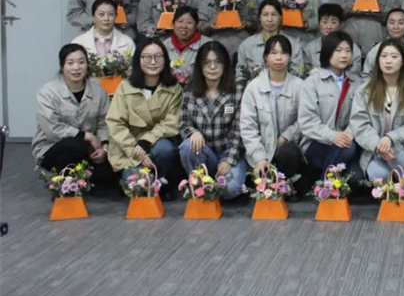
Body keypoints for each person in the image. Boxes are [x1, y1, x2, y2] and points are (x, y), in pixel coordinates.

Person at [106, 38, 183, 199]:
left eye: (158, 56)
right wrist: (137, 151)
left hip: (156, 142)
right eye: (147, 57)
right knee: (139, 188)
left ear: (165, 59)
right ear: (138, 59)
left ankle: (162, 180)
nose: (153, 62)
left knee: (165, 150)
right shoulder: (125, 86)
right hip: (128, 148)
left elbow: (172, 121)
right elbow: (115, 123)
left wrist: (147, 141)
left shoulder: (174, 88)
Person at [32, 44, 115, 187]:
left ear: (87, 65)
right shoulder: (47, 93)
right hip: (52, 147)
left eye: (81, 62)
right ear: (62, 66)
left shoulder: (99, 92)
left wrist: (103, 147)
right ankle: (66, 182)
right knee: (76, 145)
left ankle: (83, 177)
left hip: (90, 149)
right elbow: (52, 130)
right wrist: (87, 136)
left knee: (110, 179)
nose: (76, 67)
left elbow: (104, 123)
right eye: (70, 63)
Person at [178, 41, 246, 200]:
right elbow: (183, 123)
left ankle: (219, 183)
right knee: (187, 146)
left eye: (217, 62)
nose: (212, 67)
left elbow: (239, 132)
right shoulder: (190, 90)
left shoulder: (238, 91)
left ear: (225, 65)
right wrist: (193, 133)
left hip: (230, 152)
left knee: (229, 190)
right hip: (205, 152)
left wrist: (228, 160)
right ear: (200, 66)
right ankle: (200, 185)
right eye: (207, 63)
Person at [350, 39, 404, 180]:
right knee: (379, 176)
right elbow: (359, 124)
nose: (388, 61)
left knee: (398, 163)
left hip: (402, 148)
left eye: (394, 56)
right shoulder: (364, 91)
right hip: (374, 149)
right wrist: (378, 145)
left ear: (403, 61)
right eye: (384, 56)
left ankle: (403, 183)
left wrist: (390, 138)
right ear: (378, 61)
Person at [298, 32, 364, 180]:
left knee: (357, 178)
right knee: (348, 150)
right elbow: (307, 121)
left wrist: (349, 134)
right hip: (317, 142)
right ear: (328, 52)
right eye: (338, 50)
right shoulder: (312, 82)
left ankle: (322, 182)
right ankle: (326, 186)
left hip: (347, 141)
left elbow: (361, 115)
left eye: (348, 51)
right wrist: (332, 136)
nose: (344, 55)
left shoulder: (357, 82)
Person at [240, 35, 305, 181]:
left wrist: (285, 137)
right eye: (273, 53)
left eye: (284, 53)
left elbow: (305, 119)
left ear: (290, 57)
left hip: (288, 150)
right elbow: (248, 127)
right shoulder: (253, 88)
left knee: (290, 152)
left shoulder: (300, 86)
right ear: (266, 57)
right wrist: (260, 158)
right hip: (259, 153)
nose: (279, 58)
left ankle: (285, 185)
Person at [235, 0, 302, 86]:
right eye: (265, 15)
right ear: (259, 18)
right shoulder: (247, 45)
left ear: (280, 17)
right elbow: (240, 75)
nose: (269, 19)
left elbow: (298, 72)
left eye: (274, 14)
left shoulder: (293, 44)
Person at [300, 3, 363, 78]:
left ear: (340, 25)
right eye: (324, 22)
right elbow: (304, 73)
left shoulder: (353, 49)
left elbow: (354, 76)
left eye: (333, 22)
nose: (329, 27)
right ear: (319, 24)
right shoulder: (309, 48)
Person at [161, 6, 210, 88]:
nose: (184, 26)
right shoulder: (164, 46)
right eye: (180, 21)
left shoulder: (208, 45)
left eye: (189, 22)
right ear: (173, 24)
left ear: (196, 25)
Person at [71, 0, 135, 58]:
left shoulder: (127, 42)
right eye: (101, 14)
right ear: (93, 17)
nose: (106, 19)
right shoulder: (78, 42)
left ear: (116, 17)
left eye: (111, 14)